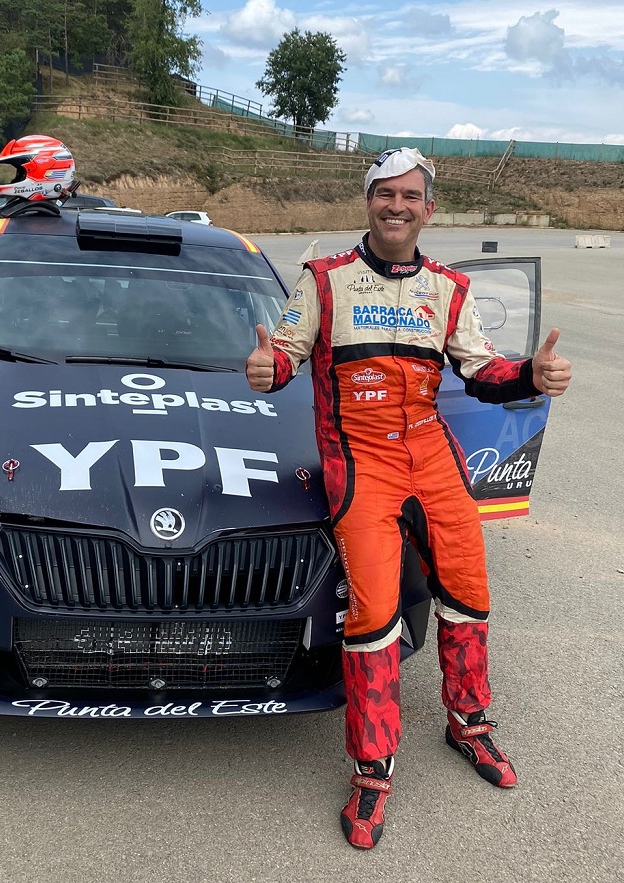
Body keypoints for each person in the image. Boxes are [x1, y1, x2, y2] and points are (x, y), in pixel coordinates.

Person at [244, 147, 572, 850]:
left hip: (432, 455)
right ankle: (373, 767)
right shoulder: (325, 279)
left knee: (469, 592)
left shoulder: (449, 287)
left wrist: (531, 375)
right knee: (373, 614)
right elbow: (286, 355)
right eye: (385, 193)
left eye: (410, 196)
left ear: (429, 208)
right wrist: (268, 366)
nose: (397, 206)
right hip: (361, 461)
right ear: (369, 201)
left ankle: (469, 724)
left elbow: (482, 370)